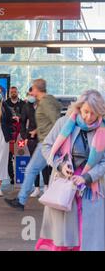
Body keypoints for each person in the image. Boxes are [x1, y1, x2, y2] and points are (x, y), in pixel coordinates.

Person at [36, 89, 105, 251]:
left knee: (89, 236)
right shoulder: (63, 123)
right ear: (79, 108)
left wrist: (87, 177)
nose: (89, 117)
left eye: (94, 114)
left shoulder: (103, 130)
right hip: (64, 187)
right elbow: (46, 147)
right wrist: (60, 165)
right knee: (63, 237)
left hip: (91, 190)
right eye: (86, 112)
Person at [5, 79, 61, 210]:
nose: (31, 91)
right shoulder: (49, 100)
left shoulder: (46, 103)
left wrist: (52, 137)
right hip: (47, 140)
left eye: (33, 88)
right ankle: (22, 199)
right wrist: (37, 130)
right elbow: (51, 119)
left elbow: (57, 122)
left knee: (31, 170)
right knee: (40, 170)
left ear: (36, 89)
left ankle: (21, 200)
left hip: (47, 142)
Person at [20, 88, 47, 197]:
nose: (31, 96)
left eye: (32, 94)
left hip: (44, 137)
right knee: (34, 163)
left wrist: (38, 130)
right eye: (29, 94)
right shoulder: (26, 106)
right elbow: (22, 123)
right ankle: (36, 188)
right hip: (31, 138)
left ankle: (46, 186)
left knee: (45, 163)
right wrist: (25, 136)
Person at [5, 86, 25, 185]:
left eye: (15, 92)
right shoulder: (5, 104)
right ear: (9, 93)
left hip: (20, 133)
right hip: (9, 133)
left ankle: (20, 175)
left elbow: (26, 116)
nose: (13, 93)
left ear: (17, 92)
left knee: (20, 154)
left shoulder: (22, 103)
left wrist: (19, 117)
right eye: (11, 92)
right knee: (9, 156)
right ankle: (12, 177)